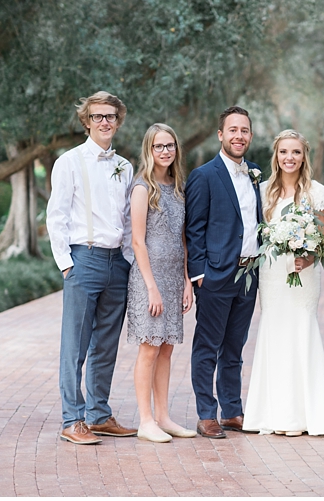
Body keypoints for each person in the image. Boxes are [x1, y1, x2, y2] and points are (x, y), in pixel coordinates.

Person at [46, 91, 138, 444]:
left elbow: (128, 220)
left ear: (118, 121)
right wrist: (67, 265)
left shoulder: (125, 166)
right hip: (83, 259)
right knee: (76, 345)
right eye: (98, 116)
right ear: (87, 121)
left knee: (106, 344)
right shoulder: (69, 162)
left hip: (117, 263)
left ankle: (99, 415)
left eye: (110, 116)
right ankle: (73, 419)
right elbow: (56, 216)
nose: (104, 122)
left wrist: (128, 260)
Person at [242, 129, 324, 437]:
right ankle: (272, 414)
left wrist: (308, 258)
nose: (290, 158)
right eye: (284, 152)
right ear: (276, 156)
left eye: (296, 152)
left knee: (301, 331)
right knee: (274, 332)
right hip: (272, 277)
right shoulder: (264, 191)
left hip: (303, 275)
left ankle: (305, 415)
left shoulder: (317, 192)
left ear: (304, 156)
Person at [185, 106, 263, 439]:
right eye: (232, 130)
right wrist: (198, 274)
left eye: (244, 130)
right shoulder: (204, 175)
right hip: (216, 276)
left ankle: (232, 411)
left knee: (234, 347)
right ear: (221, 135)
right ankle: (206, 414)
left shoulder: (256, 173)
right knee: (207, 346)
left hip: (249, 274)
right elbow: (194, 228)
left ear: (250, 135)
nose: (239, 136)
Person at [127, 123, 196, 442]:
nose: (165, 151)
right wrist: (152, 286)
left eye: (170, 145)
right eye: (159, 146)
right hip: (148, 278)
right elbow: (138, 241)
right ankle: (145, 421)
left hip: (173, 277)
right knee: (149, 348)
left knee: (166, 348)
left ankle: (164, 416)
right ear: (149, 150)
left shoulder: (178, 187)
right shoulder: (142, 187)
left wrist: (185, 281)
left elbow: (182, 238)